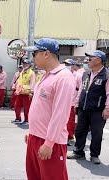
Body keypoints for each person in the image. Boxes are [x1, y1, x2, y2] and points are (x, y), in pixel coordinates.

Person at [24, 38, 75, 180]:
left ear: (46, 54)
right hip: (36, 137)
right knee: (34, 176)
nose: (33, 58)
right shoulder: (45, 75)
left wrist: (49, 143)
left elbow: (60, 115)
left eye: (35, 54)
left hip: (50, 142)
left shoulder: (63, 78)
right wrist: (32, 131)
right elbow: (41, 109)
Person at [67, 50, 109, 164]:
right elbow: (81, 89)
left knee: (96, 133)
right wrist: (77, 103)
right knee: (80, 130)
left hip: (98, 110)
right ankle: (78, 152)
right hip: (83, 108)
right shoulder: (86, 74)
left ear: (99, 60)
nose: (87, 61)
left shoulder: (106, 75)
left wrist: (107, 108)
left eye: (90, 59)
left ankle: (94, 155)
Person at [12, 59, 35, 125]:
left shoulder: (31, 73)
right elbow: (19, 82)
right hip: (20, 92)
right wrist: (16, 90)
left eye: (26, 64)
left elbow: (32, 83)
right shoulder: (22, 72)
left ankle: (27, 120)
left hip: (27, 92)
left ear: (29, 65)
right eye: (24, 63)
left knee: (26, 107)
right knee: (17, 106)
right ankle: (18, 118)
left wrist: (31, 92)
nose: (24, 65)